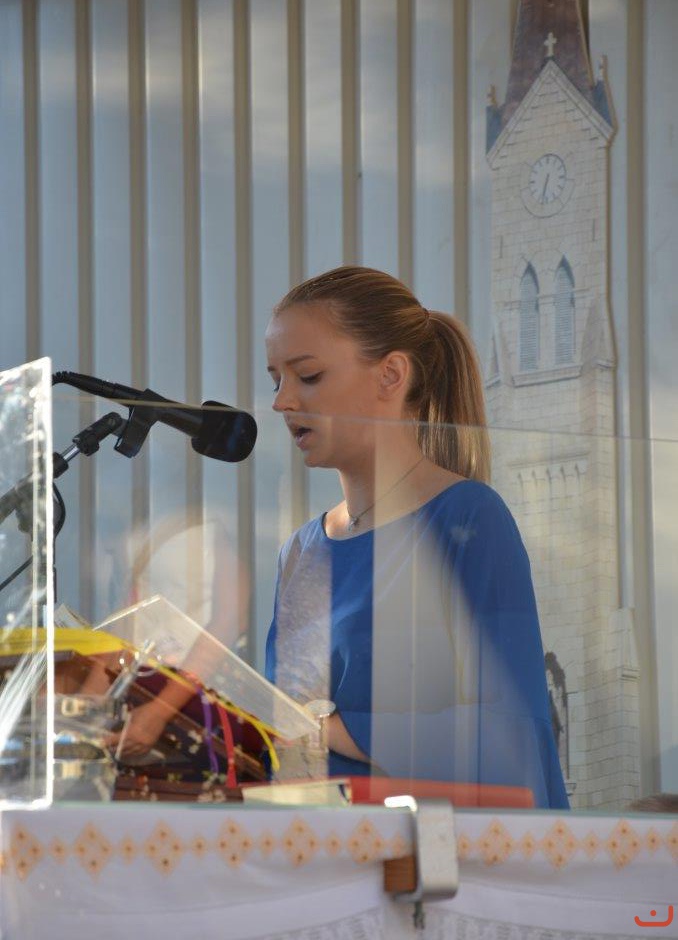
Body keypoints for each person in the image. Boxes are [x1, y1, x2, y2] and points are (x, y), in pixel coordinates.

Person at [264, 265, 569, 809]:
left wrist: (326, 729)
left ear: (391, 375)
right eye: (275, 380)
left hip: (433, 849)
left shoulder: (470, 519)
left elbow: (509, 732)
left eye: (307, 375)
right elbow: (280, 731)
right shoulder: (300, 551)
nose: (281, 401)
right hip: (312, 842)